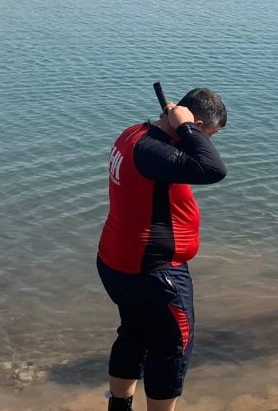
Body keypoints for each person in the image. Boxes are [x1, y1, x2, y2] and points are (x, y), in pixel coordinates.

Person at [97, 88, 228, 411]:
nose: (207, 144)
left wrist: (183, 129)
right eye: (208, 135)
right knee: (172, 349)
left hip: (118, 261)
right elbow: (214, 169)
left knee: (134, 333)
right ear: (194, 122)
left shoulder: (135, 134)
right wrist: (187, 129)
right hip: (152, 272)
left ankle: (119, 407)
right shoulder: (153, 152)